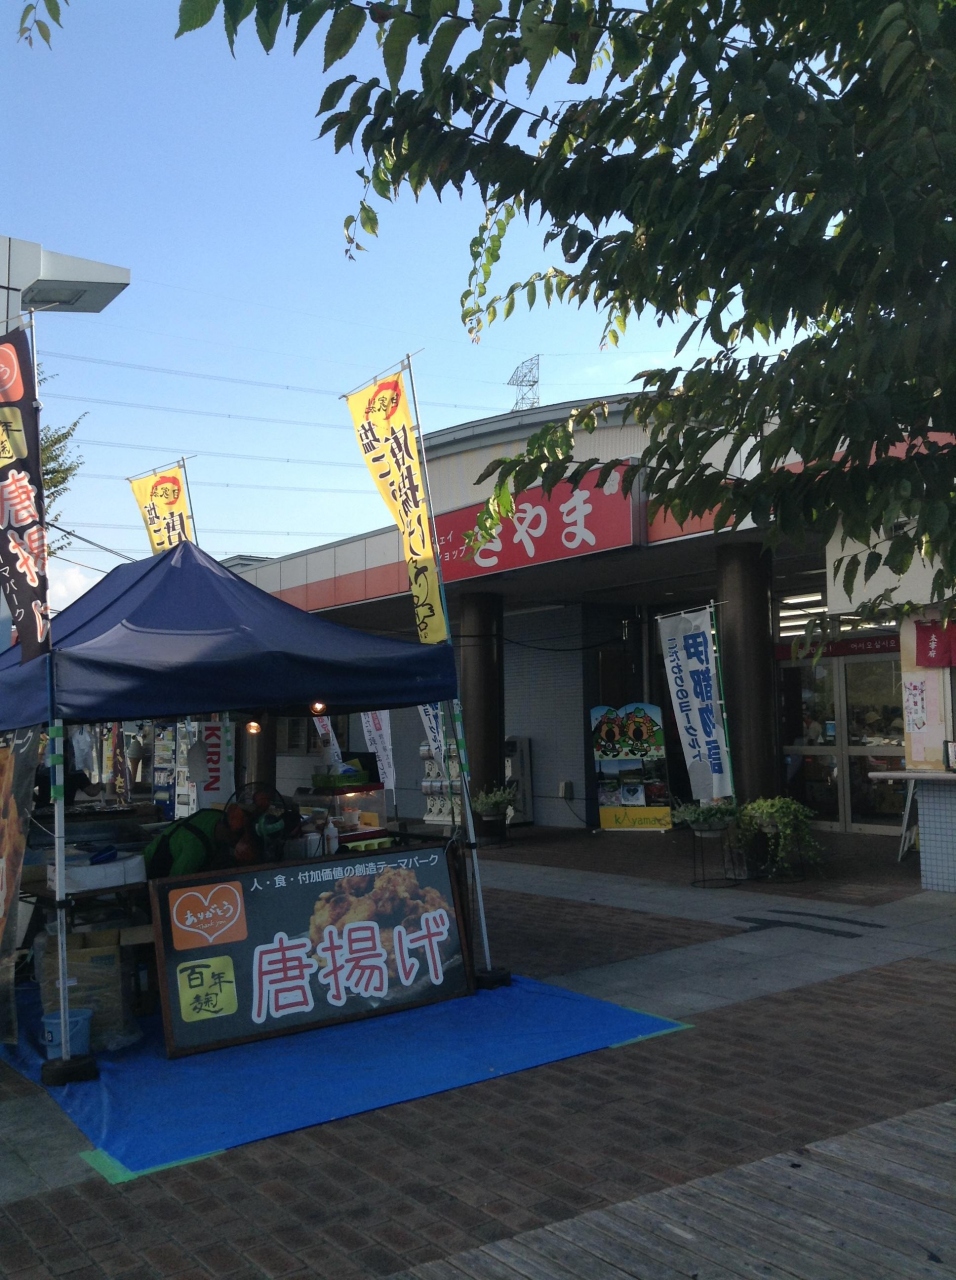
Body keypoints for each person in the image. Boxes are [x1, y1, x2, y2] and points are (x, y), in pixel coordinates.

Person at [143, 804, 261, 879]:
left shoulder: (215, 815)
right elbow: (173, 885)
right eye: (237, 838)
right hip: (151, 869)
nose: (236, 843)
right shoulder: (194, 850)